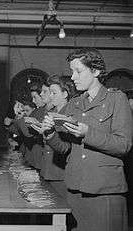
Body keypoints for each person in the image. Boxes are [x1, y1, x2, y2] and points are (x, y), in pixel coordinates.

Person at [42, 48, 133, 231]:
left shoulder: (117, 99)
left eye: (78, 71)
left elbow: (123, 145)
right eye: (72, 72)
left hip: (105, 192)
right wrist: (50, 133)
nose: (73, 77)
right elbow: (65, 148)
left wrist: (87, 133)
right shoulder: (73, 104)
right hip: (75, 188)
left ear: (96, 71)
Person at [39, 74, 76, 199]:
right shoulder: (52, 113)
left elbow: (66, 147)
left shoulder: (71, 114)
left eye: (54, 93)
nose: (50, 96)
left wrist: (49, 133)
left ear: (65, 94)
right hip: (48, 169)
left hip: (60, 174)